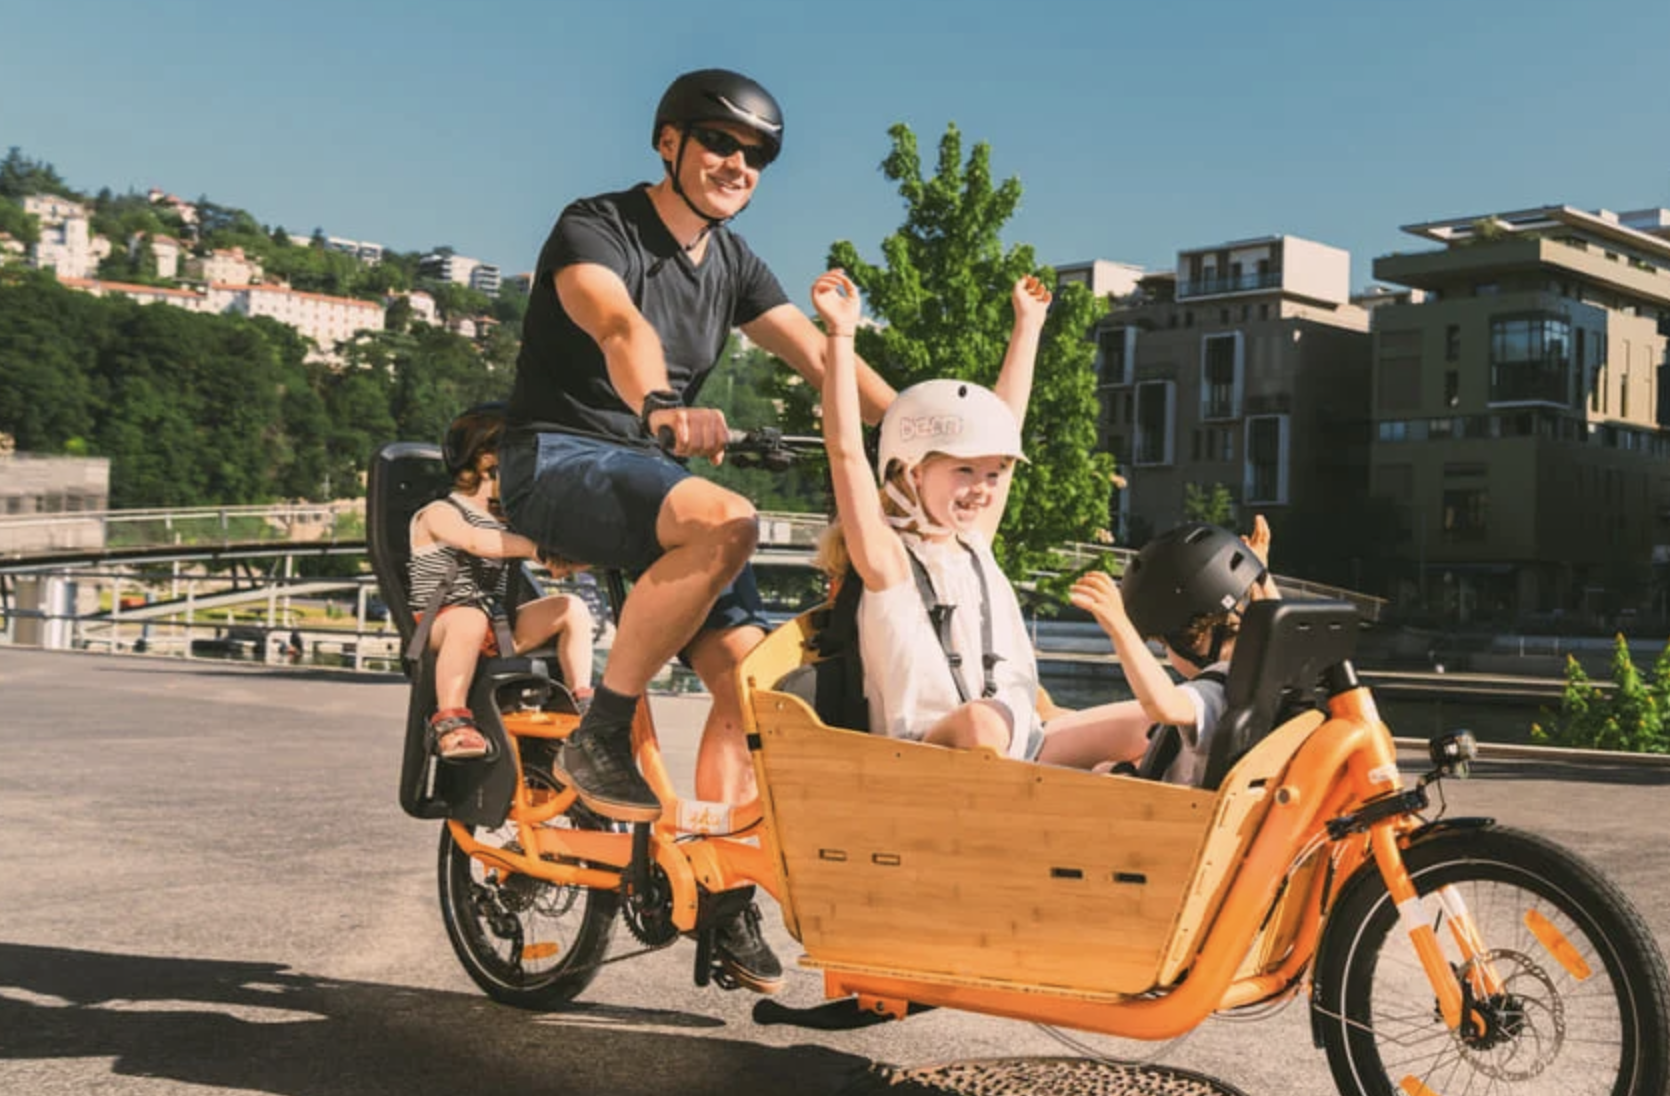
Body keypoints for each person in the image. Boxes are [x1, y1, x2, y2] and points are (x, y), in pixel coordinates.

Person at [499, 68, 904, 994]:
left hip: (651, 481)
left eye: (756, 155)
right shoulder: (596, 226)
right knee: (728, 518)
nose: (737, 164)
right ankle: (599, 732)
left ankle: (720, 895)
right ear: (669, 142)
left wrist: (932, 432)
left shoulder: (736, 264)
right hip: (556, 459)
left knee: (759, 690)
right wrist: (658, 402)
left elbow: (824, 362)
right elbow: (618, 324)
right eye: (720, 142)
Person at [812, 269, 1152, 766]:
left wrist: (1028, 327)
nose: (982, 489)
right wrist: (841, 334)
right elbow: (844, 452)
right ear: (912, 472)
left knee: (1149, 725)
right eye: (964, 470)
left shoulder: (972, 542)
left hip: (1019, 744)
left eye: (993, 475)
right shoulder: (889, 561)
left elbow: (1006, 422)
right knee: (981, 722)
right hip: (928, 759)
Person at [409, 405, 595, 761]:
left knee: (571, 608)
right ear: (486, 459)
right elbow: (477, 541)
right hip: (440, 625)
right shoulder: (439, 513)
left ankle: (582, 702)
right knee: (469, 618)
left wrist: (573, 555)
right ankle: (450, 720)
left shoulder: (509, 519)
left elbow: (550, 552)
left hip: (498, 628)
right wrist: (535, 549)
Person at [1066, 519, 1277, 786]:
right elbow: (1278, 630)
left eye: (1164, 647)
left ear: (1192, 641)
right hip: (1232, 800)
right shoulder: (1268, 675)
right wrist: (1259, 577)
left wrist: (1120, 627)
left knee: (1101, 770)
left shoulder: (1218, 690)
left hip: (1171, 808)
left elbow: (1164, 705)